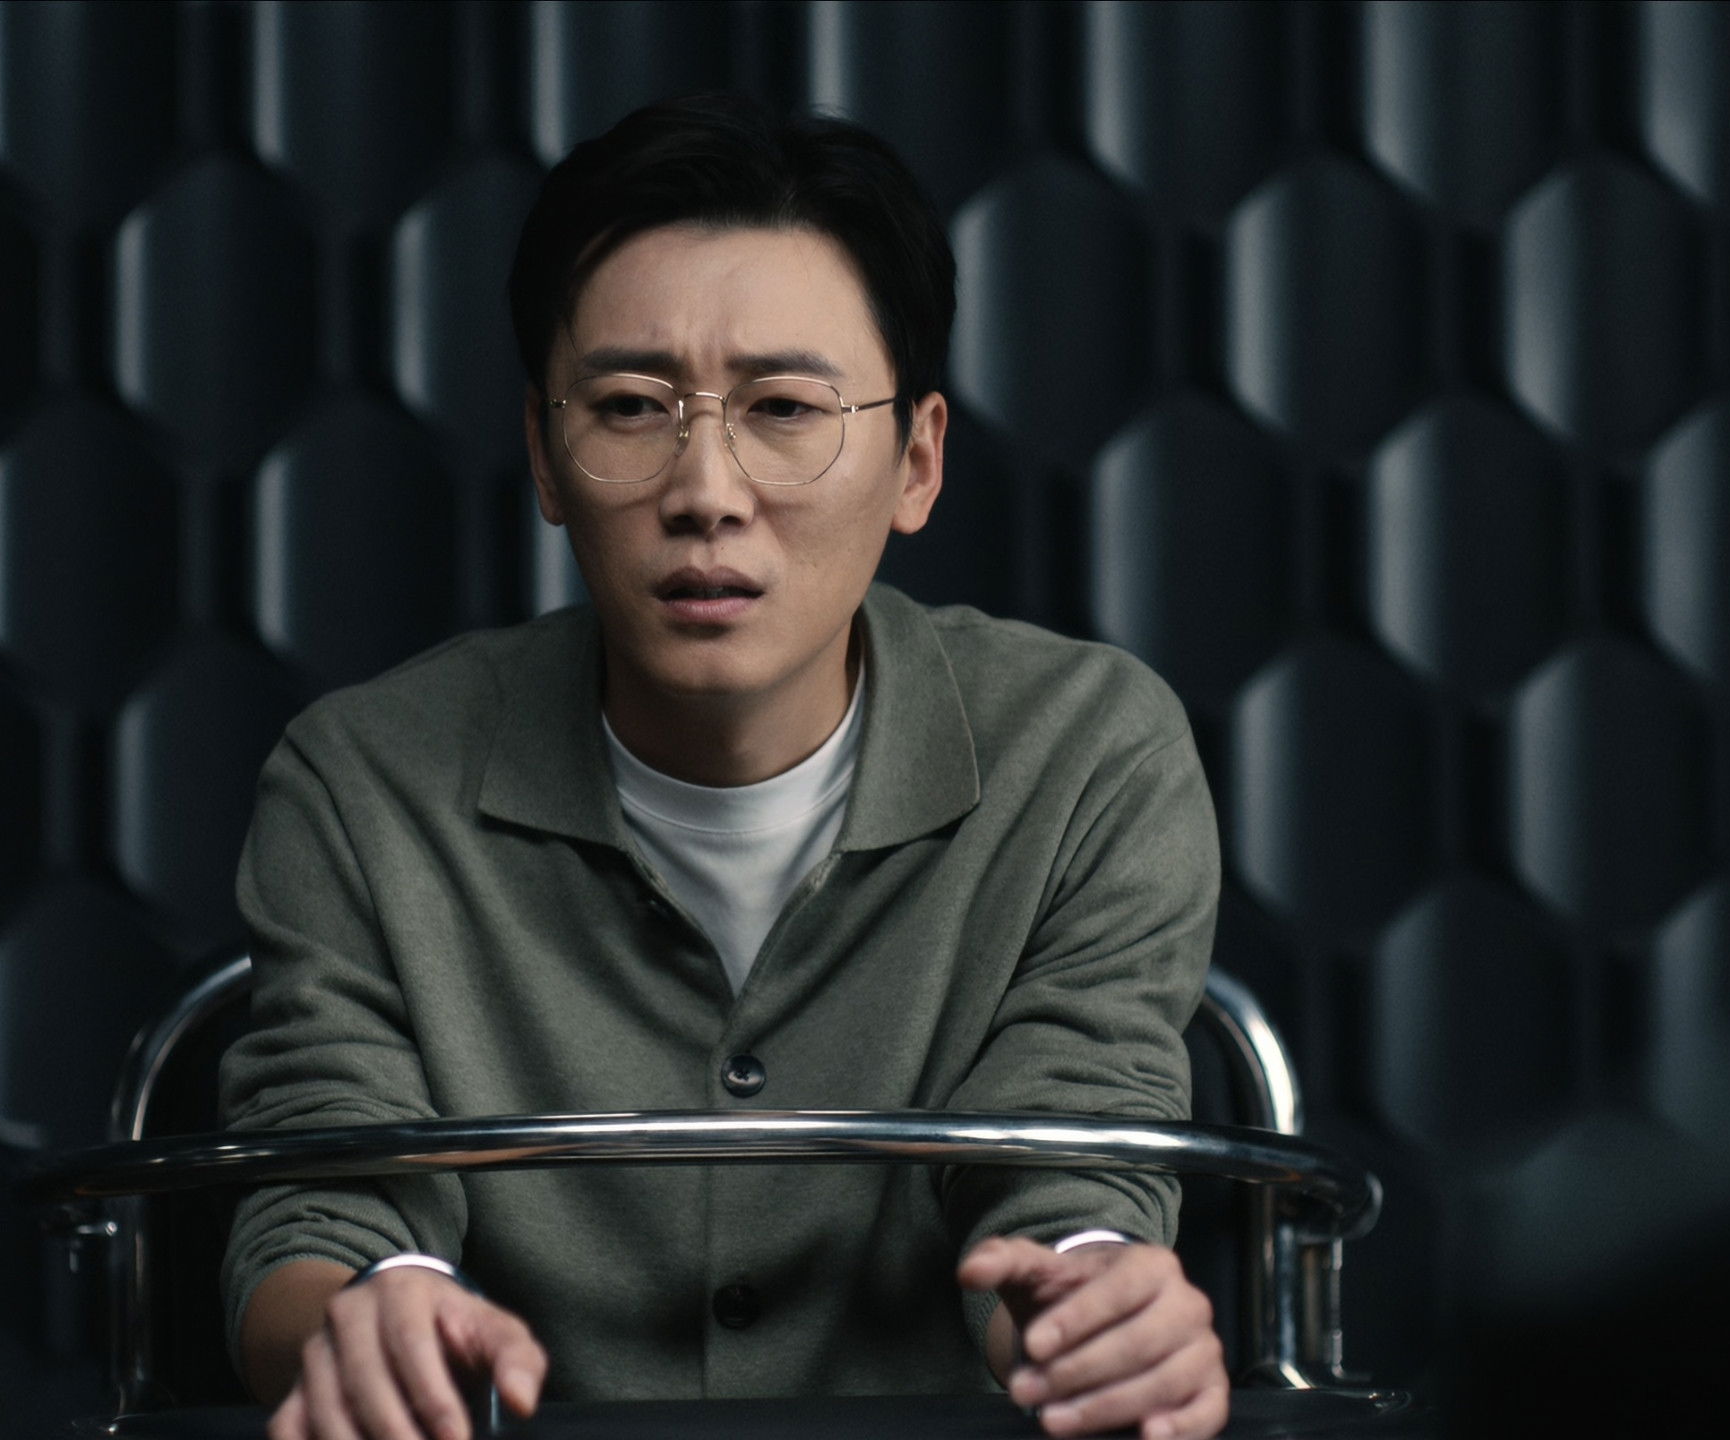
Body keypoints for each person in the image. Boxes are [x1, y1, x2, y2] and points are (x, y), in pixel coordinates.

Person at [222, 93, 1229, 1440]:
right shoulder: (360, 783)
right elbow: (321, 1202)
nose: (706, 489)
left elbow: (1070, 1165)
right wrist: (368, 1321)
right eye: (632, 406)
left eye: (786, 407)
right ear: (545, 458)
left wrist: (1095, 1309)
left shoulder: (1091, 757)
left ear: (918, 460)